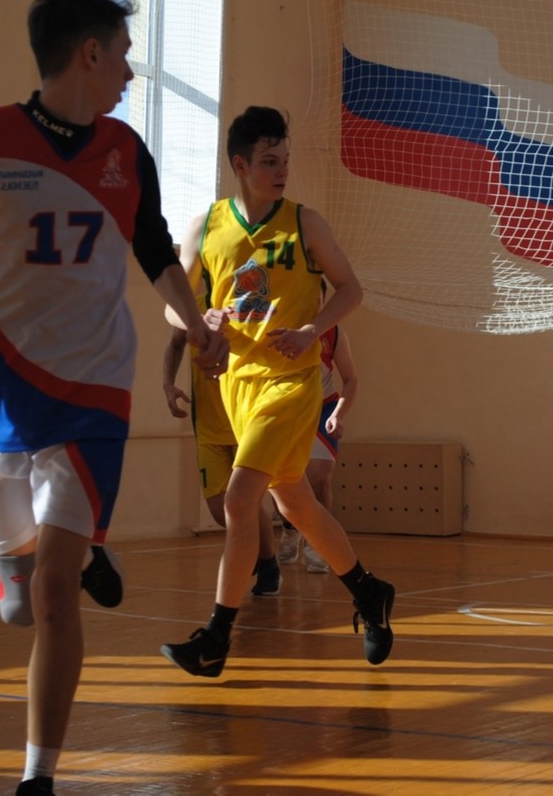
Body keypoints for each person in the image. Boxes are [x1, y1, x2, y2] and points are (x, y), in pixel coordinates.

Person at [0, 0, 226, 796]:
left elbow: (155, 252)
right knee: (18, 607)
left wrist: (197, 324)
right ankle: (70, 553)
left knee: (57, 593)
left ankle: (38, 777)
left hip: (91, 395)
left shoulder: (127, 153)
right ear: (90, 53)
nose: (131, 74)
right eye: (125, 57)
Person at [159, 106, 395, 677]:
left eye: (285, 160)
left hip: (291, 383)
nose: (282, 170)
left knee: (240, 501)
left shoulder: (305, 224)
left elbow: (351, 289)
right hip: (235, 387)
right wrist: (198, 320)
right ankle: (368, 591)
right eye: (269, 161)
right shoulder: (205, 226)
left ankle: (216, 637)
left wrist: (313, 329)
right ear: (240, 165)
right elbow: (173, 305)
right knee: (296, 504)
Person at [164, 320, 282, 595]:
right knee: (221, 510)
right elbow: (175, 343)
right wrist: (167, 383)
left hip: (246, 422)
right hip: (208, 426)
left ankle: (268, 563)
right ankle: (253, 550)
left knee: (247, 501)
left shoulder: (247, 306)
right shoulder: (191, 307)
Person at [279, 323, 359, 572]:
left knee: (320, 480)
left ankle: (317, 544)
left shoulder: (334, 333)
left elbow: (351, 379)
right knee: (282, 482)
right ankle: (290, 528)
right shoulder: (281, 324)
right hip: (286, 410)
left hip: (323, 408)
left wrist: (338, 414)